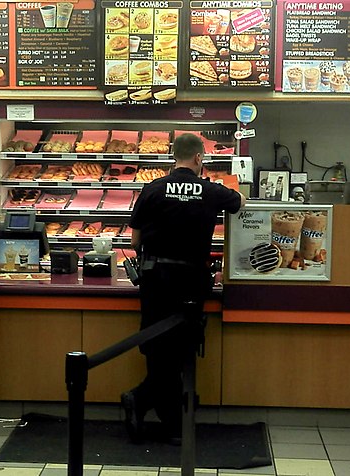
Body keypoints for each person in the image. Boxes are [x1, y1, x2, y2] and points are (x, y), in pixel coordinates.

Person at [121, 133, 245, 444]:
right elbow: (241, 203)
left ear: (172, 156)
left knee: (156, 346)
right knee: (180, 349)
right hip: (190, 280)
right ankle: (159, 412)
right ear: (200, 158)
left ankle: (158, 411)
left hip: (155, 278)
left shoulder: (152, 189)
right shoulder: (210, 190)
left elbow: (135, 242)